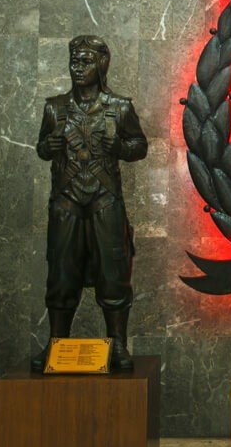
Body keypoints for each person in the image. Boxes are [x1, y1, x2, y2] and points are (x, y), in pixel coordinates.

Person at [34, 36, 147, 372]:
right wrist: (50, 145)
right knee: (61, 270)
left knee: (113, 271)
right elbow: (42, 148)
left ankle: (118, 345)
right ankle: (56, 342)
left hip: (105, 200)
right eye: (74, 61)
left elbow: (139, 145)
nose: (78, 68)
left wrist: (119, 147)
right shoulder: (55, 107)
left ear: (101, 65)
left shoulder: (120, 106)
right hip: (66, 201)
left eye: (85, 61)